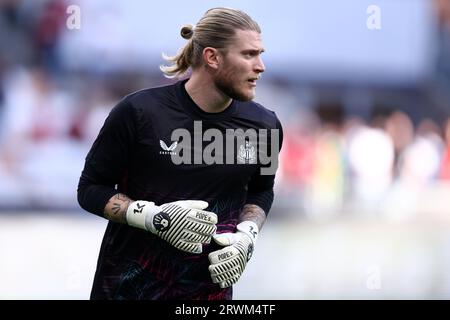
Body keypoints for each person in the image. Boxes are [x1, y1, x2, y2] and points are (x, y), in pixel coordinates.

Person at [77, 7, 283, 300]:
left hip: (208, 296)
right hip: (126, 291)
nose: (260, 65)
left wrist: (247, 235)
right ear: (212, 57)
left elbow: (261, 190)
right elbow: (89, 189)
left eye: (260, 53)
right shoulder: (138, 112)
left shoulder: (265, 125)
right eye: (249, 54)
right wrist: (150, 216)